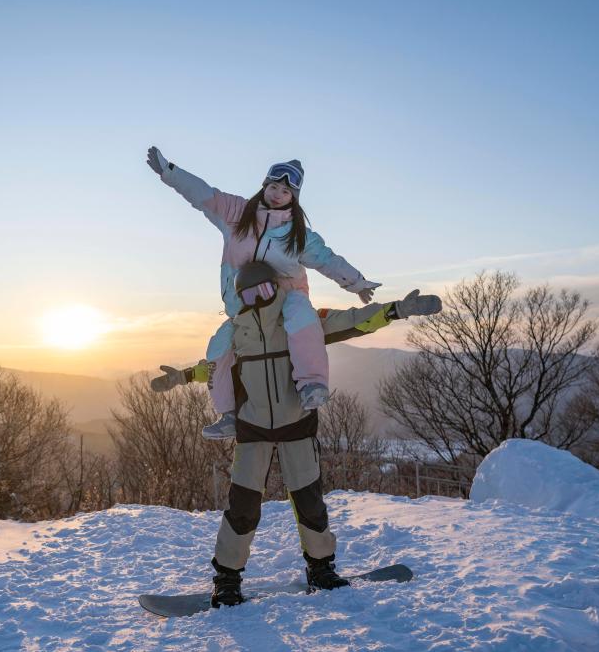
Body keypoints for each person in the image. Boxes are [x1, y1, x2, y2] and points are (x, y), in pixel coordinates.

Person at [152, 261, 442, 607]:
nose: (258, 300)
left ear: (276, 287)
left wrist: (395, 310)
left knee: (309, 503)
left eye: (263, 290)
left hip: (298, 426)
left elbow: (351, 321)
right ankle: (227, 579)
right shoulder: (237, 331)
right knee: (242, 508)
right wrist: (182, 377)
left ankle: (321, 568)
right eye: (248, 295)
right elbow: (216, 367)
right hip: (252, 429)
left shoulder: (298, 321)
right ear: (239, 297)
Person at [146, 147, 380, 440]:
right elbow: (203, 194)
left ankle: (312, 384)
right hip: (243, 305)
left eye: (286, 191)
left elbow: (327, 260)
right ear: (264, 186)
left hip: (285, 299)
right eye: (273, 187)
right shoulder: (236, 213)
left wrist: (357, 283)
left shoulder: (298, 235)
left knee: (301, 316)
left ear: (294, 197)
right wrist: (170, 172)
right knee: (218, 347)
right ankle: (228, 414)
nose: (277, 194)